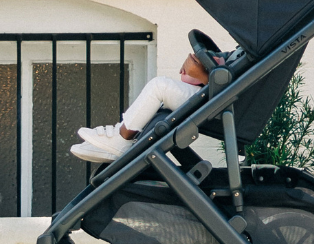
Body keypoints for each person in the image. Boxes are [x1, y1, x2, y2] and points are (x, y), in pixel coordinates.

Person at [71, 51, 212, 162]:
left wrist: (202, 74)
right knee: (158, 102)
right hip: (212, 92)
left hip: (215, 98)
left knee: (159, 86)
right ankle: (120, 139)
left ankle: (122, 138)